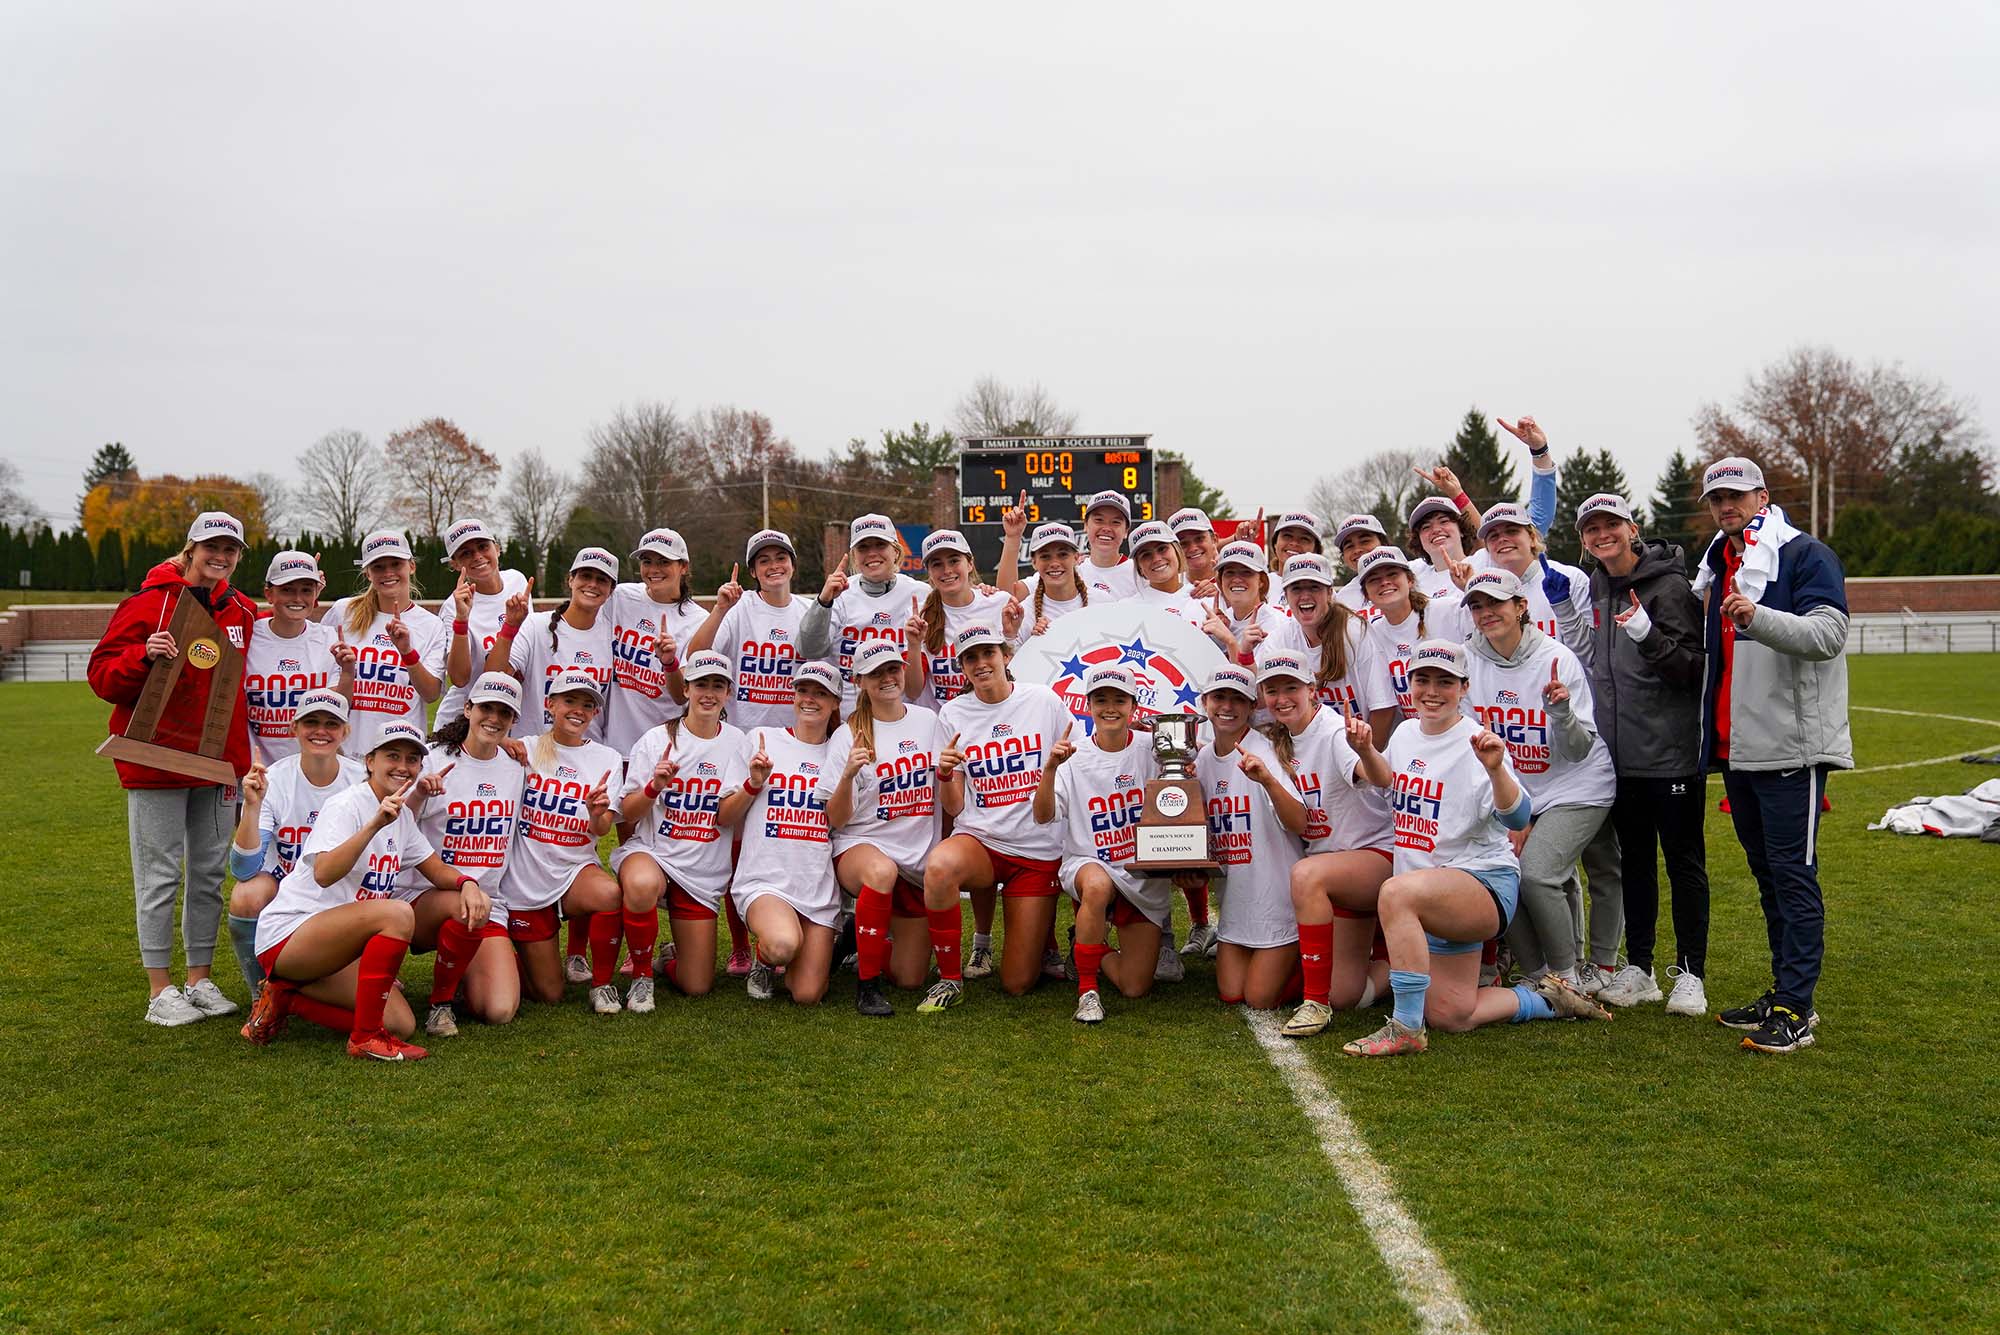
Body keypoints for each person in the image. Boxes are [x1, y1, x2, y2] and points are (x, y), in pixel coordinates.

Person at [1338, 641, 1609, 1057]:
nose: (1431, 690)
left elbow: (1519, 819)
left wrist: (1497, 768)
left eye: (1444, 682)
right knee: (1453, 1014)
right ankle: (1552, 1001)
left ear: (1463, 688)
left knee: (1394, 891)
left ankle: (1405, 1029)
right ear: (1409, 683)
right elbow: (1386, 778)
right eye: (1422, 679)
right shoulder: (1408, 732)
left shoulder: (1477, 742)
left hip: (1481, 884)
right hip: (1432, 890)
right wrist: (1366, 751)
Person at [1696, 456, 1852, 1054]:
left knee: (1793, 877)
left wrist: (1757, 617)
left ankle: (1797, 1007)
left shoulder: (1804, 554)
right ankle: (1782, 991)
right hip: (1739, 750)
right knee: (1769, 878)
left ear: (1762, 496)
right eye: (1717, 498)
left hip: (1790, 746)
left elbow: (1828, 636)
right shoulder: (1719, 561)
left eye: (1736, 495)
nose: (1726, 506)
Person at [89, 511, 260, 1026]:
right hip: (155, 762)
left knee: (208, 876)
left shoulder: (244, 611)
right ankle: (159, 989)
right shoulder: (147, 604)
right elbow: (101, 676)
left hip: (216, 766)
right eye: (212, 546)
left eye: (231, 550)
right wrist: (143, 654)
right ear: (190, 548)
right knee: (160, 875)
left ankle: (199, 979)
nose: (221, 557)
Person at [241, 720, 493, 1062]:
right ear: (370, 761)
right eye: (392, 756)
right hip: (291, 935)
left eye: (412, 760)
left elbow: (434, 868)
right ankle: (364, 1038)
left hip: (337, 943)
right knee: (397, 913)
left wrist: (468, 884)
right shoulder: (347, 805)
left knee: (400, 1024)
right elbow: (324, 874)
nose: (403, 767)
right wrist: (374, 824)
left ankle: (285, 999)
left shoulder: (400, 814)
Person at [1571, 493, 1710, 1015]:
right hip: (1618, 759)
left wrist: (1648, 635)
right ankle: (1642, 968)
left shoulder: (1669, 587)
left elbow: (1693, 670)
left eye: (1610, 524)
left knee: (1683, 865)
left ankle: (1691, 974)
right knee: (1635, 867)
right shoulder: (1598, 587)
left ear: (1632, 528)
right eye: (1591, 528)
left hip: (1670, 756)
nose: (1601, 534)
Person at [1461, 568, 1623, 995]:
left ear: (1521, 607)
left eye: (1496, 603)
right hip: (1518, 788)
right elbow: (1477, 749)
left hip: (1579, 785)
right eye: (1477, 605)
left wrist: (1562, 713)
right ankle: (1536, 973)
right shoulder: (1468, 660)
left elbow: (1576, 749)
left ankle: (1568, 976)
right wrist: (1516, 812)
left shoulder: (1557, 658)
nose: (1486, 613)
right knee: (1500, 871)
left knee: (1537, 874)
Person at [915, 624, 1073, 1012]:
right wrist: (946, 773)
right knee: (939, 866)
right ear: (963, 668)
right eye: (971, 657)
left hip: (1037, 850)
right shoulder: (953, 713)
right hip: (982, 841)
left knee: (1018, 983)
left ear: (1006, 656)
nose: (981, 663)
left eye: (988, 653)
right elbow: (953, 808)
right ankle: (950, 978)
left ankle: (1046, 939)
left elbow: (1076, 760)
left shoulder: (1043, 701)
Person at [1258, 650, 1396, 1038]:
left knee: (1305, 874)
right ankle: (1402, 959)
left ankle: (1314, 1002)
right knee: (1347, 994)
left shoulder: (1333, 731)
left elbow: (1379, 777)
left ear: (1312, 689)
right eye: (1272, 690)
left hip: (1375, 858)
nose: (1282, 698)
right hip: (1335, 872)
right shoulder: (1280, 739)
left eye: (1291, 688)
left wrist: (1366, 748)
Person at [819, 640, 951, 1016]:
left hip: (915, 862)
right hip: (860, 847)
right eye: (875, 673)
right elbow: (836, 818)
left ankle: (853, 937)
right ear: (860, 681)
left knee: (910, 977)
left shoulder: (928, 721)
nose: (887, 678)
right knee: (881, 871)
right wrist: (846, 776)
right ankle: (867, 986)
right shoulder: (850, 734)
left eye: (892, 669)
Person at [1033, 663, 1169, 1024]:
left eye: (1119, 700)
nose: (1110, 708)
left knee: (1134, 986)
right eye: (1101, 699)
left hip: (1141, 874)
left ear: (1133, 706)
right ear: (1088, 705)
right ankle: (1088, 992)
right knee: (1096, 884)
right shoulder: (1071, 756)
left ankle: (1087, 946)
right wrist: (1048, 770)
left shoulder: (1153, 747)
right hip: (1088, 862)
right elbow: (1043, 816)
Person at [613, 650, 748, 1001]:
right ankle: (642, 977)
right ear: (685, 689)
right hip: (654, 854)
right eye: (700, 684)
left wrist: (752, 786)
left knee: (697, 985)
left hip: (701, 871)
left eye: (718, 685)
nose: (709, 693)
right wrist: (653, 787)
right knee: (641, 884)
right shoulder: (657, 740)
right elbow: (628, 811)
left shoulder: (738, 742)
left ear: (728, 693)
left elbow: (726, 817)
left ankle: (668, 957)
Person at [399, 672, 527, 1034]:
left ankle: (463, 974)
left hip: (487, 904)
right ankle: (440, 1003)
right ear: (468, 708)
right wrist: (421, 793)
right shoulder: (432, 759)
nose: (494, 719)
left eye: (504, 713)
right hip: (422, 898)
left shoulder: (517, 766)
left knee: (498, 1009)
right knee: (463, 902)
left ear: (514, 721)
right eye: (486, 708)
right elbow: (393, 826)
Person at [714, 661, 844, 1004]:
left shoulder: (840, 752)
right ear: (793, 696)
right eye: (803, 691)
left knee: (807, 995)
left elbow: (844, 820)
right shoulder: (762, 739)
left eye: (821, 693)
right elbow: (724, 816)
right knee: (783, 945)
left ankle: (818, 946)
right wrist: (754, 784)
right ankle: (765, 960)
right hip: (766, 882)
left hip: (816, 888)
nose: (810, 699)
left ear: (835, 703)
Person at [496, 670, 624, 1013]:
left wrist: (597, 812)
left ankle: (602, 985)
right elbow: (477, 742)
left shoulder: (606, 758)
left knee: (609, 893)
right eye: (569, 701)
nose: (578, 710)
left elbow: (601, 829)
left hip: (573, 871)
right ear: (549, 704)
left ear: (595, 713)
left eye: (587, 705)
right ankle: (502, 957)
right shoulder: (525, 749)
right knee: (549, 993)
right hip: (526, 879)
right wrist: (503, 741)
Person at [225, 688, 365, 998]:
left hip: (343, 894)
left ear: (346, 731)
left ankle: (365, 969)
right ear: (294, 728)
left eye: (331, 724)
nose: (320, 731)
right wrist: (252, 805)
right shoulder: (275, 779)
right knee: (246, 895)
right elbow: (244, 868)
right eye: (310, 721)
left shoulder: (361, 782)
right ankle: (262, 993)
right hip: (288, 893)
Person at [1189, 664, 1310, 1009]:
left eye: (1237, 699)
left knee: (1258, 998)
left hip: (1277, 902)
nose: (1227, 706)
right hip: (1236, 904)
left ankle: (1316, 959)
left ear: (1252, 706)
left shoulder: (1266, 749)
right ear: (1205, 702)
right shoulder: (1202, 759)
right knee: (1231, 992)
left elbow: (1299, 822)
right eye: (1219, 697)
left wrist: (1268, 781)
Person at [325, 529, 447, 757]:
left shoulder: (431, 624)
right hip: (347, 756)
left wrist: (407, 652)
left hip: (401, 757)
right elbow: (324, 679)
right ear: (367, 573)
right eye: (378, 566)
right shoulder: (344, 612)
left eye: (396, 564)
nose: (388, 572)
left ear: (411, 566)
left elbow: (431, 694)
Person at [799, 513, 927, 714]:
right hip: (848, 719)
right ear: (854, 555)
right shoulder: (839, 592)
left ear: (896, 551)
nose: (872, 553)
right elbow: (809, 650)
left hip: (901, 718)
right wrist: (823, 602)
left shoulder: (920, 593)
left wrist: (983, 589)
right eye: (863, 547)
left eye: (880, 545)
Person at [486, 547, 619, 740]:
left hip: (587, 756)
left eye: (602, 580)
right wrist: (510, 627)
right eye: (586, 576)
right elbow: (493, 678)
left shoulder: (613, 637)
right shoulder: (536, 625)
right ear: (571, 580)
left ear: (611, 590)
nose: (592, 584)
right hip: (533, 751)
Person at [1271, 553, 1396, 749]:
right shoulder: (1282, 637)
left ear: (1330, 593)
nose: (1305, 596)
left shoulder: (1356, 633)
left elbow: (1383, 707)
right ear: (1285, 596)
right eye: (1296, 588)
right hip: (1311, 754)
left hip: (1360, 752)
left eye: (1314, 587)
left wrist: (1367, 763)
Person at [688, 529, 808, 732]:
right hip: (741, 735)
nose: (774, 566)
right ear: (753, 571)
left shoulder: (809, 611)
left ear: (793, 565)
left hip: (794, 737)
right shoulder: (738, 608)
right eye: (764, 561)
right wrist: (720, 610)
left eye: (781, 558)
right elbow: (695, 659)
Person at [242, 551, 351, 765]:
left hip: (313, 771)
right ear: (269, 594)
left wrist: (348, 672)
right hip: (257, 772)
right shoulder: (248, 637)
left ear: (315, 595)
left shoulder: (328, 638)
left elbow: (340, 707)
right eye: (287, 590)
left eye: (306, 590)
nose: (298, 598)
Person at [604, 528, 700, 760]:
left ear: (683, 567)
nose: (654, 569)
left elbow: (681, 696)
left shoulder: (697, 620)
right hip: (613, 749)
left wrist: (669, 662)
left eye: (664, 561)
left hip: (663, 752)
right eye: (647, 561)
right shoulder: (621, 598)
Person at [436, 519, 531, 727]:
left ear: (497, 549)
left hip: (508, 710)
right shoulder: (454, 605)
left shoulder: (518, 581)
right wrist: (462, 620)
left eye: (483, 547)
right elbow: (460, 679)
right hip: (465, 718)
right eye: (466, 553)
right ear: (455, 564)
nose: (477, 556)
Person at [1356, 546, 1464, 722]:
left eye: (1392, 574)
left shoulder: (1447, 611)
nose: (1384, 582)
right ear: (1366, 594)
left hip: (1459, 730)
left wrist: (1469, 585)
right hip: (1415, 737)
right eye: (1374, 579)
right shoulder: (1372, 635)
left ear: (1410, 580)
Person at [1474, 503, 1592, 657]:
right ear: (1488, 549)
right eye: (1493, 536)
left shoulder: (1571, 578)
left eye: (1512, 531)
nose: (1502, 539)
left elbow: (1590, 655)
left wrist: (1564, 606)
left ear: (1531, 537)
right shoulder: (1482, 594)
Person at [1202, 540, 1287, 672]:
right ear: (1220, 582)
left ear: (1261, 582)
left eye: (1246, 572)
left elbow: (1257, 687)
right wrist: (1210, 641)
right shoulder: (1221, 621)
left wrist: (1230, 641)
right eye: (1229, 573)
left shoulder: (1276, 624)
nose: (1236, 579)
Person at [1012, 522, 1090, 637]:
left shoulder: (1102, 601)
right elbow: (1011, 654)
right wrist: (1034, 642)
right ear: (1034, 562)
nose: (1054, 563)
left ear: (1076, 558)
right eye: (1045, 556)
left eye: (1062, 554)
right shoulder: (1024, 613)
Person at [1128, 521, 1206, 629]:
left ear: (1177, 551)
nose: (1156, 559)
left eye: (1162, 549)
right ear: (1139, 568)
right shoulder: (1127, 608)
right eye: (1146, 555)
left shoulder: (1206, 597)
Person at [1076, 490, 1140, 600]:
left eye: (1115, 522)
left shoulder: (1139, 574)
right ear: (1086, 525)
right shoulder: (1074, 572)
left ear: (1126, 531)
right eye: (1099, 520)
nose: (1106, 528)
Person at [1330, 513, 1388, 611]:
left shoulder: (1415, 571)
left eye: (1365, 541)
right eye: (1349, 546)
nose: (1357, 550)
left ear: (1383, 543)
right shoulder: (1342, 599)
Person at [1265, 512, 1324, 606]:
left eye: (1304, 539)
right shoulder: (1260, 585)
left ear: (1316, 550)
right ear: (1275, 543)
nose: (1294, 543)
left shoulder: (1325, 591)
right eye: (1287, 536)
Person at [1168, 507, 1221, 597]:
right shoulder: (1169, 588)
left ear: (1214, 540)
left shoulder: (1235, 582)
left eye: (1199, 539)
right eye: (1183, 543)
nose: (1193, 548)